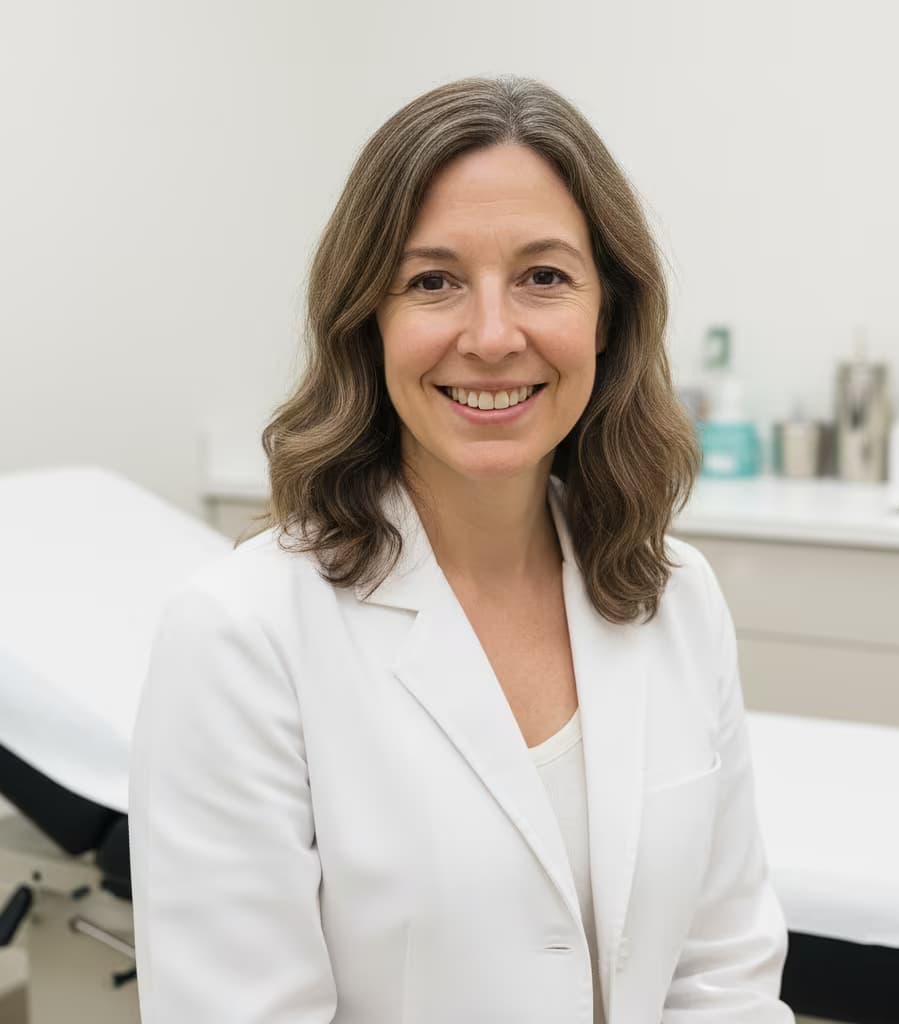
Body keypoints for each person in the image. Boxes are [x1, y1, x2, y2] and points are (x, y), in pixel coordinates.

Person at [128, 75, 794, 1023]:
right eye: (432, 282)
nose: (491, 336)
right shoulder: (242, 634)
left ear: (607, 316)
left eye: (544, 277)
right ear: (368, 321)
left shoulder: (677, 595)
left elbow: (721, 974)